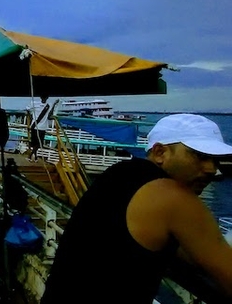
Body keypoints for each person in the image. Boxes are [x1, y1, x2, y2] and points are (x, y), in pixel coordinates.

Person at [40, 114, 232, 303]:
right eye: (200, 156)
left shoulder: (118, 175)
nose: (211, 169)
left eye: (215, 160)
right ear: (159, 153)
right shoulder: (171, 195)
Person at [26, 95, 52, 161]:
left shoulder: (48, 106)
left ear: (47, 98)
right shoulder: (35, 103)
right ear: (41, 97)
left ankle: (31, 155)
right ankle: (35, 157)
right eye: (43, 97)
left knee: (39, 143)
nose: (44, 98)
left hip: (42, 127)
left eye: (45, 97)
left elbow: (49, 115)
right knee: (35, 143)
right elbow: (28, 109)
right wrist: (31, 117)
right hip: (35, 126)